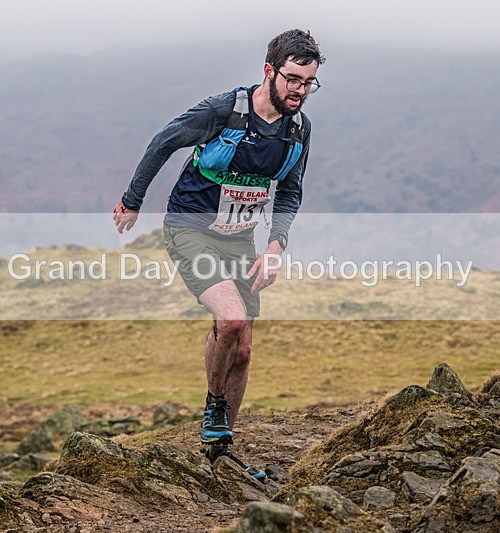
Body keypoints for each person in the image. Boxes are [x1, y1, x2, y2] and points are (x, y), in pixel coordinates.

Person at [113, 29, 325, 481]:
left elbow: (290, 190)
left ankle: (220, 448)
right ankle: (213, 410)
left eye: (309, 84)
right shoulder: (224, 111)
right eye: (293, 80)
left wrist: (275, 244)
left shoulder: (299, 130)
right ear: (269, 71)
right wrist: (133, 200)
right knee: (229, 320)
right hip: (191, 229)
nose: (300, 92)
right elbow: (162, 142)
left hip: (240, 240)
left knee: (244, 350)